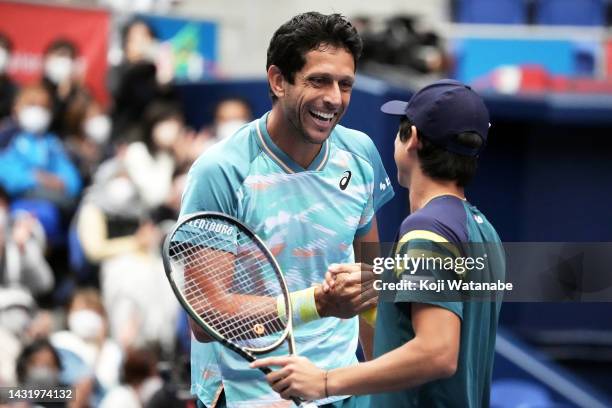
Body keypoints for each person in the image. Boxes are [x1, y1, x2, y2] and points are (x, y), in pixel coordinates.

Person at [180, 12, 394, 408]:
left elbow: (369, 286)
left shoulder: (360, 155)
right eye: (319, 80)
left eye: (345, 84)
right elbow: (204, 317)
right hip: (252, 396)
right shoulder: (222, 170)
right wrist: (318, 303)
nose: (334, 97)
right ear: (278, 81)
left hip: (342, 387)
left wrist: (378, 387)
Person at [252, 79, 506, 408]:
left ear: (411, 139)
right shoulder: (483, 232)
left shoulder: (426, 232)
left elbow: (437, 353)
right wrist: (378, 299)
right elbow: (430, 333)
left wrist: (324, 382)